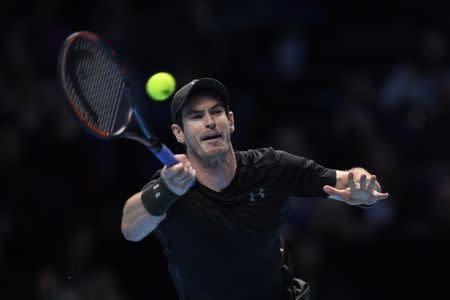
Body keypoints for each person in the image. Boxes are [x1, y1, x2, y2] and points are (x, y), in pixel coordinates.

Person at [120, 78, 389, 300]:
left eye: (216, 112)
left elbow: (345, 179)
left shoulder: (270, 167)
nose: (210, 121)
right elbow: (130, 229)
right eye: (196, 116)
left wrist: (362, 184)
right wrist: (166, 190)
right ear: (179, 133)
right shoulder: (169, 186)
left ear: (231, 121)